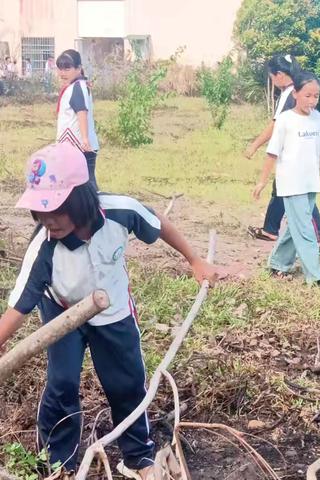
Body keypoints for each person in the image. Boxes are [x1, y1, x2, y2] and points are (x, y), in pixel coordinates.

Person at [0, 143, 217, 479]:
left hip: (113, 310)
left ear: (81, 198)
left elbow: (157, 223)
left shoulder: (120, 211)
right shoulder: (43, 246)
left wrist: (194, 260)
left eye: (55, 209)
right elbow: (18, 308)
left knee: (127, 382)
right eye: (39, 212)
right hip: (62, 313)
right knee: (62, 383)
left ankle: (137, 457)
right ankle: (60, 464)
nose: (47, 220)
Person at [253, 71, 320, 284]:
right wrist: (262, 182)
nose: (312, 101)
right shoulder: (285, 120)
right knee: (305, 229)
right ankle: (316, 276)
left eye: (316, 96)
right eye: (307, 95)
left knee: (297, 227)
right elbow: (272, 153)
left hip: (311, 182)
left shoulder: (317, 118)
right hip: (291, 184)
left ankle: (278, 263)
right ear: (295, 93)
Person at [246, 54, 320, 245]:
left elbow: (275, 125)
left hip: (297, 152)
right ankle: (271, 229)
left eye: (272, 77)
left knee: (300, 191)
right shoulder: (297, 90)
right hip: (301, 149)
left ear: (280, 75)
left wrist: (254, 145)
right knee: (286, 188)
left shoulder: (291, 93)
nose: (272, 81)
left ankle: (318, 235)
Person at [56, 49, 99, 190]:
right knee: (81, 187)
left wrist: (85, 139)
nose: (62, 73)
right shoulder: (78, 86)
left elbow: (81, 112)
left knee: (86, 188)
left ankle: (98, 212)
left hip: (79, 147)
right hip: (75, 147)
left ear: (79, 68)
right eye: (60, 69)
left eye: (67, 68)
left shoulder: (77, 87)